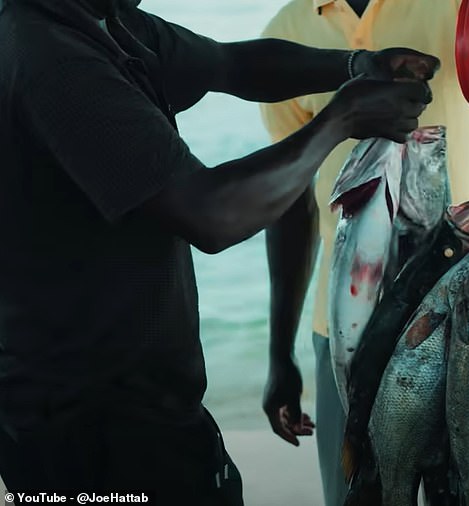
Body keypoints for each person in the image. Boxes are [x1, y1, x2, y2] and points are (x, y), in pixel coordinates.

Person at [0, 0, 438, 503]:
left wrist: (356, 66)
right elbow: (210, 214)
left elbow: (233, 64)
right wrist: (341, 119)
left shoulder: (107, 20)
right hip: (92, 430)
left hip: (136, 409)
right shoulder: (51, 58)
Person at [257, 0, 469, 503]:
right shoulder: (285, 32)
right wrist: (280, 354)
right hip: (344, 327)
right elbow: (290, 203)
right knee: (361, 490)